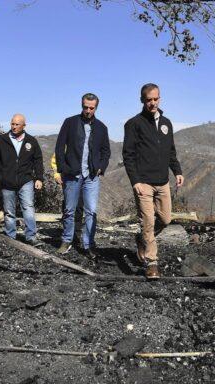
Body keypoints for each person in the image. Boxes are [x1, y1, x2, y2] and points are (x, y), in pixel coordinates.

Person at [123, 83, 184, 279]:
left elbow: (171, 151)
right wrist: (135, 181)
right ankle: (152, 262)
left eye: (155, 99)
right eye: (148, 100)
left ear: (160, 98)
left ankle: (142, 239)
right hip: (144, 182)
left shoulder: (167, 123)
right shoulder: (134, 124)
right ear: (142, 100)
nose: (152, 103)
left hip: (163, 181)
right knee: (148, 220)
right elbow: (128, 155)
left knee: (165, 219)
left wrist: (177, 171)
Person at [54, 93, 111, 259]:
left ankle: (88, 244)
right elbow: (59, 146)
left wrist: (101, 167)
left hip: (91, 176)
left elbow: (106, 151)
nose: (88, 110)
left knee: (91, 211)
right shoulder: (70, 122)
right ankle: (66, 240)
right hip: (72, 174)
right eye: (85, 107)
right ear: (81, 105)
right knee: (69, 210)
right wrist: (62, 168)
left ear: (96, 108)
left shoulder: (102, 127)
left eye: (91, 108)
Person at [0, 114, 44, 246]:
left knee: (28, 208)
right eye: (12, 124)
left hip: (26, 180)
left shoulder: (31, 141)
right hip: (7, 181)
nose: (14, 126)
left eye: (17, 124)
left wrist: (39, 178)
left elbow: (38, 160)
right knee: (9, 211)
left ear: (24, 125)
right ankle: (10, 237)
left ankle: (30, 237)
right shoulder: (1, 140)